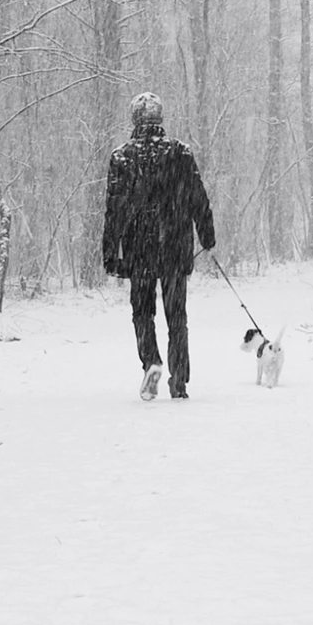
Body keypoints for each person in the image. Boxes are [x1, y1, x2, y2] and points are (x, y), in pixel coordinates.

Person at [101, 91, 216, 400]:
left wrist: (110, 253)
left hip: (139, 250)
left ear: (134, 120)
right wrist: (207, 234)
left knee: (143, 313)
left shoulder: (122, 157)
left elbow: (115, 209)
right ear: (160, 119)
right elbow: (198, 197)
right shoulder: (181, 153)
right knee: (177, 316)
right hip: (175, 249)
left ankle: (151, 362)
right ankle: (179, 380)